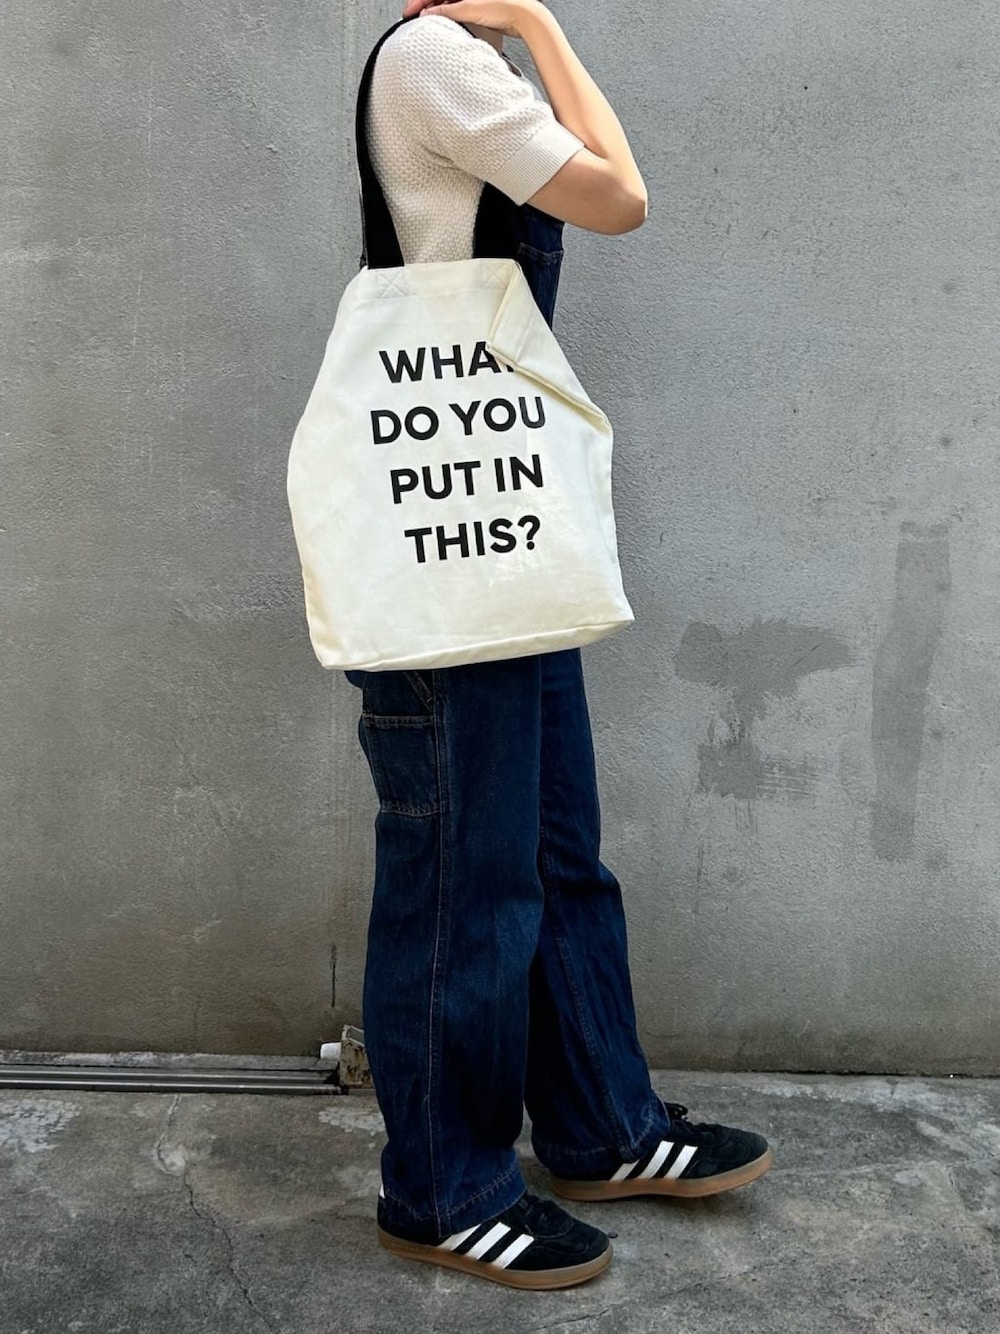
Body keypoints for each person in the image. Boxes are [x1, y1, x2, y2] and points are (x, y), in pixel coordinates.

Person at [345, 0, 773, 1291]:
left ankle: (600, 1124)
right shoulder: (433, 59)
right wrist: (534, 22)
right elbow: (619, 197)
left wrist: (529, 33)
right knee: (460, 874)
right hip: (449, 546)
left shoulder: (474, 66)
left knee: (549, 845)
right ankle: (443, 1191)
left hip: (500, 521)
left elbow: (599, 181)